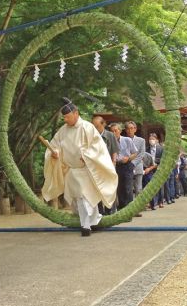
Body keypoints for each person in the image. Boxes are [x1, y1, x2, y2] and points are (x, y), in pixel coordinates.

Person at [42, 98, 118, 236]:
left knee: (85, 197)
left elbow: (98, 146)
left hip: (85, 169)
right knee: (78, 200)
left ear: (76, 113)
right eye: (64, 117)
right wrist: (54, 153)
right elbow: (55, 145)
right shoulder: (62, 131)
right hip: (72, 170)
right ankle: (93, 221)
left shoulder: (87, 127)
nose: (65, 120)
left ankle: (86, 226)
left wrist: (87, 155)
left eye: (68, 116)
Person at [92, 116, 119, 215]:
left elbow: (115, 150)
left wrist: (114, 162)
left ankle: (109, 210)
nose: (95, 128)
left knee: (109, 189)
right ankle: (100, 212)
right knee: (98, 188)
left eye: (97, 126)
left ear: (103, 124)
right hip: (97, 167)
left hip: (109, 165)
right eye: (94, 126)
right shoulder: (92, 135)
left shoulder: (110, 135)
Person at [109, 123, 138, 211]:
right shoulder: (109, 142)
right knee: (119, 188)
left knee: (128, 188)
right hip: (115, 166)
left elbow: (135, 153)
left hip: (127, 165)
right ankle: (121, 209)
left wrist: (128, 158)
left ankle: (130, 209)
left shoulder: (127, 140)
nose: (114, 133)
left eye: (116, 130)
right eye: (112, 131)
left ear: (120, 131)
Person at [125, 121, 145, 203]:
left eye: (131, 128)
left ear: (135, 129)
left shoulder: (141, 140)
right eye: (128, 128)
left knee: (138, 188)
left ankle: (137, 207)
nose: (130, 130)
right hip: (126, 167)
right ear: (126, 130)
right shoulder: (123, 140)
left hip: (138, 166)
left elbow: (142, 154)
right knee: (128, 188)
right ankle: (129, 206)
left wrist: (133, 163)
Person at [146, 133, 164, 209]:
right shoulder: (146, 149)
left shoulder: (161, 148)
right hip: (149, 169)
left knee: (159, 186)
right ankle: (151, 203)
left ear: (156, 140)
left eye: (153, 139)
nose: (151, 140)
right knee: (150, 186)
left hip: (158, 169)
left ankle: (160, 202)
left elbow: (163, 159)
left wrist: (155, 161)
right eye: (150, 139)